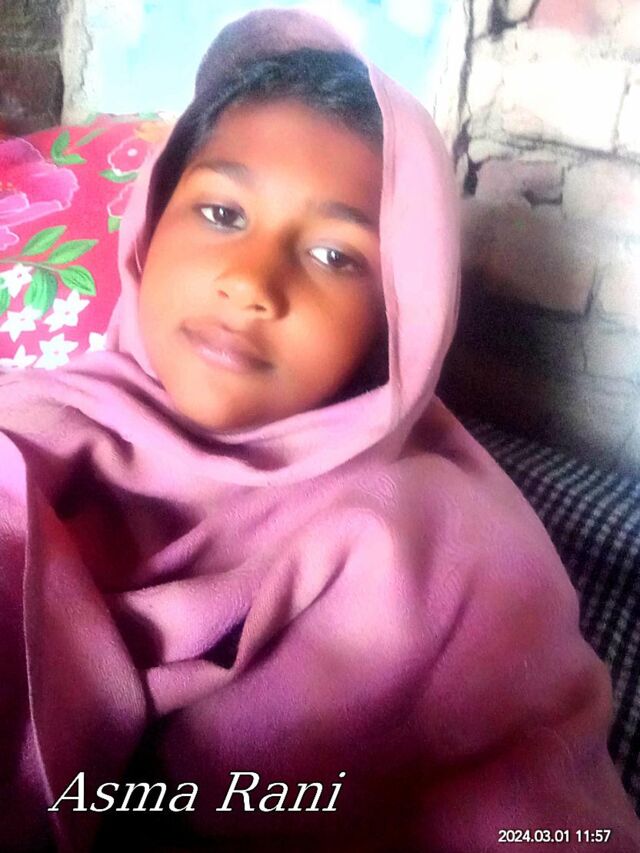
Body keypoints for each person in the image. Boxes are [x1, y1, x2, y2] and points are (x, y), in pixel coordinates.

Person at [0, 8, 639, 852]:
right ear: (152, 225)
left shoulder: (452, 566)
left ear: (393, 315)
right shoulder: (40, 421)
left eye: (336, 256)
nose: (252, 282)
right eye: (221, 212)